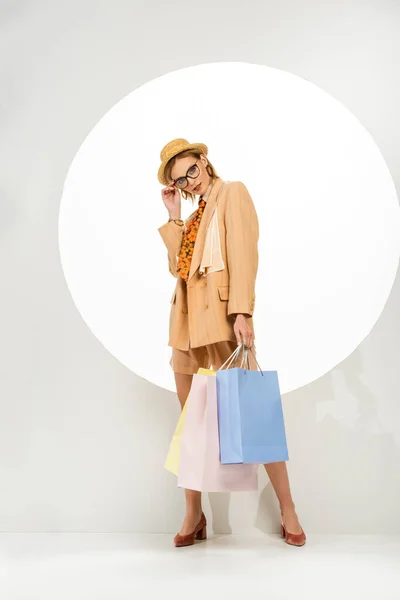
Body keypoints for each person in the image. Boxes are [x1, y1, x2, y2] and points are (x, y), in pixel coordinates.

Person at [157, 138, 306, 547]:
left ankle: (288, 508)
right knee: (190, 424)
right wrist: (173, 216)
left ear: (203, 162)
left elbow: (244, 254)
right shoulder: (192, 216)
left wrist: (243, 311)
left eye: (190, 170)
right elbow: (179, 269)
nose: (189, 181)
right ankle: (193, 513)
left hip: (223, 323)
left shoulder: (232, 193)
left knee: (255, 414)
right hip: (186, 327)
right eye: (179, 181)